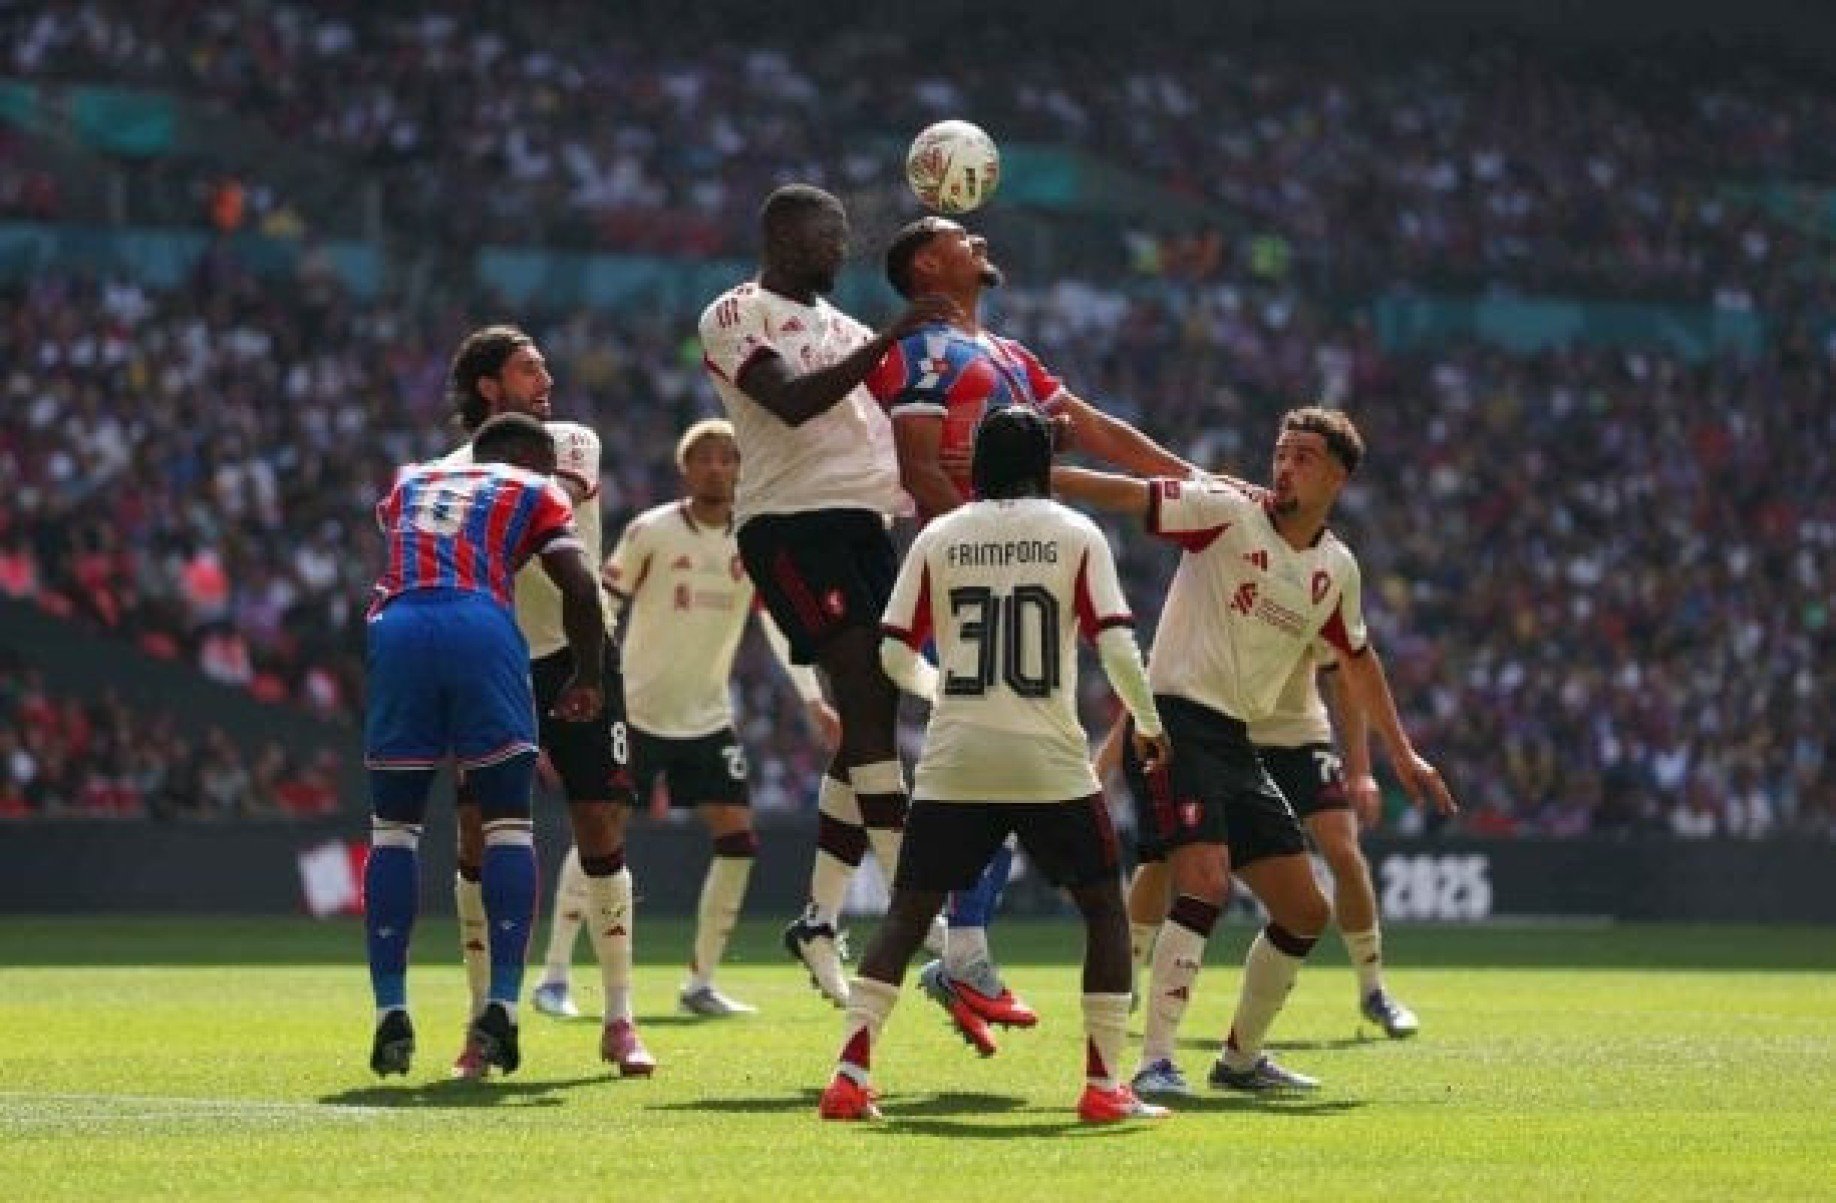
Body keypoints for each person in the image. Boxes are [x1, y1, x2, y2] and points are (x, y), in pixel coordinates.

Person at [862, 215, 1201, 1054]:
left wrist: (1196, 481)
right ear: (925, 264)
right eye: (958, 235)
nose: (978, 239)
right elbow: (917, 468)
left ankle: (963, 953)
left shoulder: (1010, 356)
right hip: (979, 584)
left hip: (1016, 565)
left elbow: (1099, 430)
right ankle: (964, 953)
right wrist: (983, 548)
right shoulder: (923, 352)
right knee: (1002, 763)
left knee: (1005, 781)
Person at [1053, 406, 1457, 1096]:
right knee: (1200, 879)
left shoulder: (1336, 568)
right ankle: (1154, 1060)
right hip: (1174, 722)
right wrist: (1038, 474)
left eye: (1303, 456)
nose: (1284, 465)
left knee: (1305, 910)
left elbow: (1359, 662)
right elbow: (1131, 493)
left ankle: (1239, 1058)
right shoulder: (1226, 511)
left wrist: (1403, 753)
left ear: (1337, 475)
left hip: (1239, 741)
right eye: (1280, 452)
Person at [817, 407, 1172, 1124]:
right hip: (1048, 756)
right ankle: (1104, 1085)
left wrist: (938, 688)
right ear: (1043, 467)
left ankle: (850, 1072)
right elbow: (1118, 648)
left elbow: (891, 653)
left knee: (908, 912)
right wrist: (1153, 725)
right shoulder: (1076, 534)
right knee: (1104, 907)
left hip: (958, 756)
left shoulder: (941, 535)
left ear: (977, 466)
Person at [697, 184, 952, 1007]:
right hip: (791, 526)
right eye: (829, 233)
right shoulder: (737, 312)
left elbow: (888, 433)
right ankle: (931, 928)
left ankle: (819, 919)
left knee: (875, 717)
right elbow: (793, 402)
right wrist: (893, 337)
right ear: (784, 233)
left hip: (866, 530)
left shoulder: (844, 329)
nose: (843, 247)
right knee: (872, 702)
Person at [528, 418, 841, 1018]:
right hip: (638, 714)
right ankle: (555, 976)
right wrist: (591, 685)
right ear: (685, 467)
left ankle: (700, 982)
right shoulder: (652, 531)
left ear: (742, 469)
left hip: (705, 718)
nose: (718, 467)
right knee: (601, 833)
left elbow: (777, 624)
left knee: (737, 839)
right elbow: (604, 607)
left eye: (729, 457)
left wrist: (810, 696)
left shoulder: (753, 543)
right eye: (705, 458)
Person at [437, 326, 654, 1079]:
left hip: (578, 653)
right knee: (476, 836)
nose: (547, 375)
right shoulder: (445, 471)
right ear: (489, 386)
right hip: (494, 660)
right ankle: (481, 1021)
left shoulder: (571, 442)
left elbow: (537, 512)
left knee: (600, 820)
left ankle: (620, 1018)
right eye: (529, 368)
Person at [364, 413, 604, 1079]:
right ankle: (499, 1004)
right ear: (529, 455)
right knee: (506, 827)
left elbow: (398, 539)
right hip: (481, 624)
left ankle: (390, 1007)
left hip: (399, 623)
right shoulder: (534, 487)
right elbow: (580, 587)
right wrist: (587, 674)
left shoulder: (412, 481)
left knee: (392, 833)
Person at [1117, 652, 1421, 1071]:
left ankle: (1373, 991)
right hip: (1225, 735)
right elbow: (1157, 672)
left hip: (1299, 741)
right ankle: (1128, 982)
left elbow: (1348, 671)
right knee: (1164, 858)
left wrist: (1361, 769)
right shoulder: (1214, 599)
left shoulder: (1318, 590)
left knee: (1342, 856)